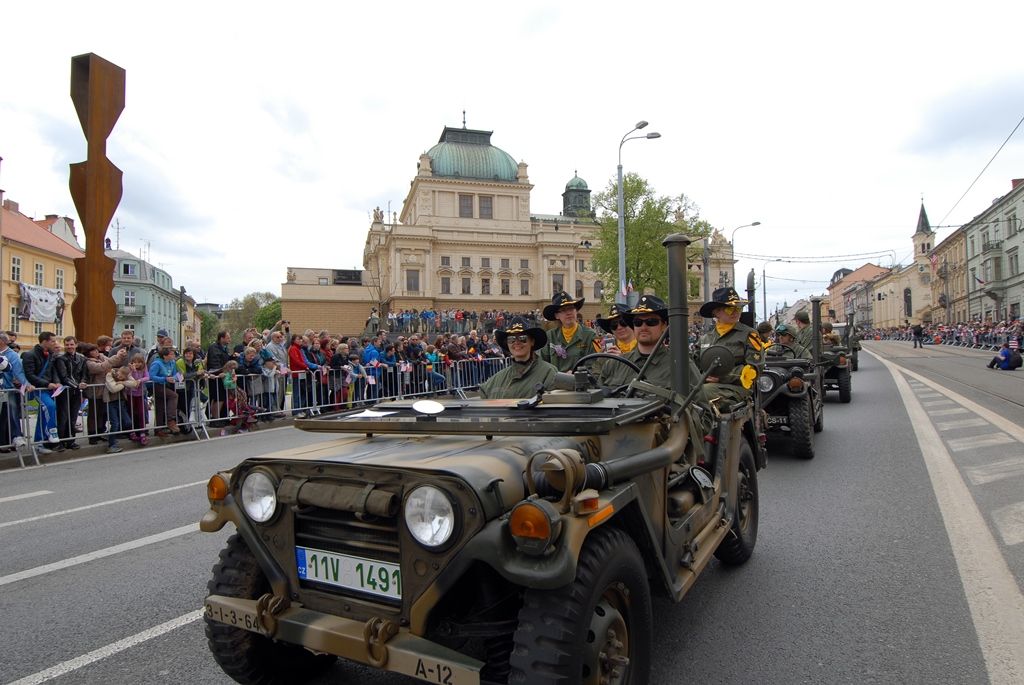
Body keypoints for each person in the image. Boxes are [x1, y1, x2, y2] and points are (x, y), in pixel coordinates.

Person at [600, 295, 704, 394]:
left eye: (651, 321)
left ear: (664, 325)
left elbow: (704, 410)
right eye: (637, 322)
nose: (643, 327)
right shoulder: (613, 365)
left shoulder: (680, 366)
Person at [698, 288, 763, 406]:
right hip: (705, 385)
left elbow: (756, 368)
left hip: (735, 388)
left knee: (701, 393)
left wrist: (722, 377)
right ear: (716, 312)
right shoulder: (705, 338)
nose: (735, 312)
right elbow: (694, 364)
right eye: (729, 309)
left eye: (738, 308)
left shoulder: (749, 334)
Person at [478, 317, 558, 399]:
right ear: (507, 344)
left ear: (532, 341)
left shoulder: (549, 373)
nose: (516, 343)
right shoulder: (496, 380)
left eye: (522, 338)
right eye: (511, 339)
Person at [21, 331, 62, 452]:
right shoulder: (29, 354)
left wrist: (56, 381)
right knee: (49, 406)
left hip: (49, 388)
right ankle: (51, 432)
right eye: (53, 341)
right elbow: (29, 375)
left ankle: (40, 443)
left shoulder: (50, 354)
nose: (55, 343)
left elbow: (52, 371)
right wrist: (47, 384)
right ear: (45, 341)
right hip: (37, 388)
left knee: (43, 414)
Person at [539, 291, 600, 372]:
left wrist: (576, 373)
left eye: (571, 308)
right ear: (557, 316)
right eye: (563, 310)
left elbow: (595, 365)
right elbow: (542, 363)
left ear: (576, 311)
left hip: (581, 382)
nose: (568, 313)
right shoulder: (549, 336)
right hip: (556, 382)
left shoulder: (591, 335)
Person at [54, 336, 88, 450]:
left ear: (76, 345)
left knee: (73, 416)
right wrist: (77, 385)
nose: (69, 347)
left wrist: (83, 382)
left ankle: (71, 440)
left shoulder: (82, 358)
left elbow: (84, 374)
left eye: (71, 344)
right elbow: (64, 377)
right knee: (63, 417)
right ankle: (61, 441)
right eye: (67, 344)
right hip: (65, 392)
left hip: (77, 392)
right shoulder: (61, 358)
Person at [104, 365, 139, 454]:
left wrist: (122, 382)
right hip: (110, 401)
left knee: (128, 422)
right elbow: (113, 388)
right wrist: (123, 384)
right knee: (115, 423)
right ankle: (111, 445)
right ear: (118, 371)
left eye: (123, 377)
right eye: (119, 374)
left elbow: (134, 383)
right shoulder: (109, 375)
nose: (120, 377)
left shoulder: (125, 377)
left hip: (120, 401)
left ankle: (114, 436)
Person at [149, 346, 181, 435]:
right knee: (173, 395)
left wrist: (175, 378)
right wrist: (165, 379)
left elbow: (176, 374)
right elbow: (152, 376)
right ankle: (171, 420)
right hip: (157, 386)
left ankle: (158, 429)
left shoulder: (172, 362)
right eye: (171, 354)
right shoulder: (157, 363)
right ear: (165, 356)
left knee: (160, 406)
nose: (174, 355)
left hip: (167, 385)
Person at [206, 331, 233, 424]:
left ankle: (222, 417)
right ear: (222, 338)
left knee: (223, 397)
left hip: (223, 375)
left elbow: (226, 359)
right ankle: (215, 418)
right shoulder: (214, 348)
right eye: (228, 337)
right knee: (217, 398)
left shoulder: (225, 348)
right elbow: (215, 363)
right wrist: (221, 371)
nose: (230, 339)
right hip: (216, 376)